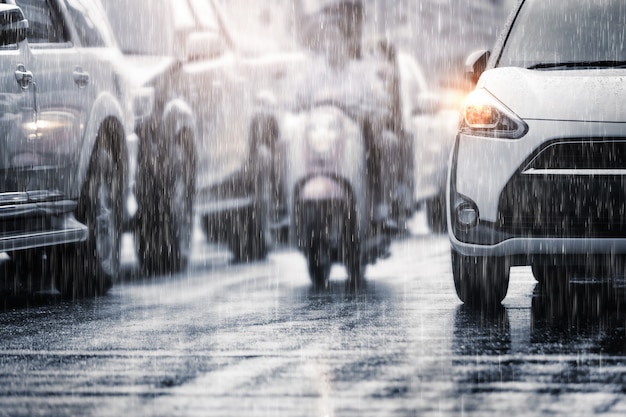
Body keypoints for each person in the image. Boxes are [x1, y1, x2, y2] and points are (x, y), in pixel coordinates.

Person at [295, 0, 402, 233]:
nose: (331, 45)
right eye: (327, 39)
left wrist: (366, 106)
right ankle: (286, 205)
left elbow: (380, 98)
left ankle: (379, 202)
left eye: (336, 39)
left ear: (346, 42)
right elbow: (297, 97)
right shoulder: (313, 72)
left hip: (354, 132)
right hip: (323, 135)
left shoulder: (360, 72)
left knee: (375, 136)